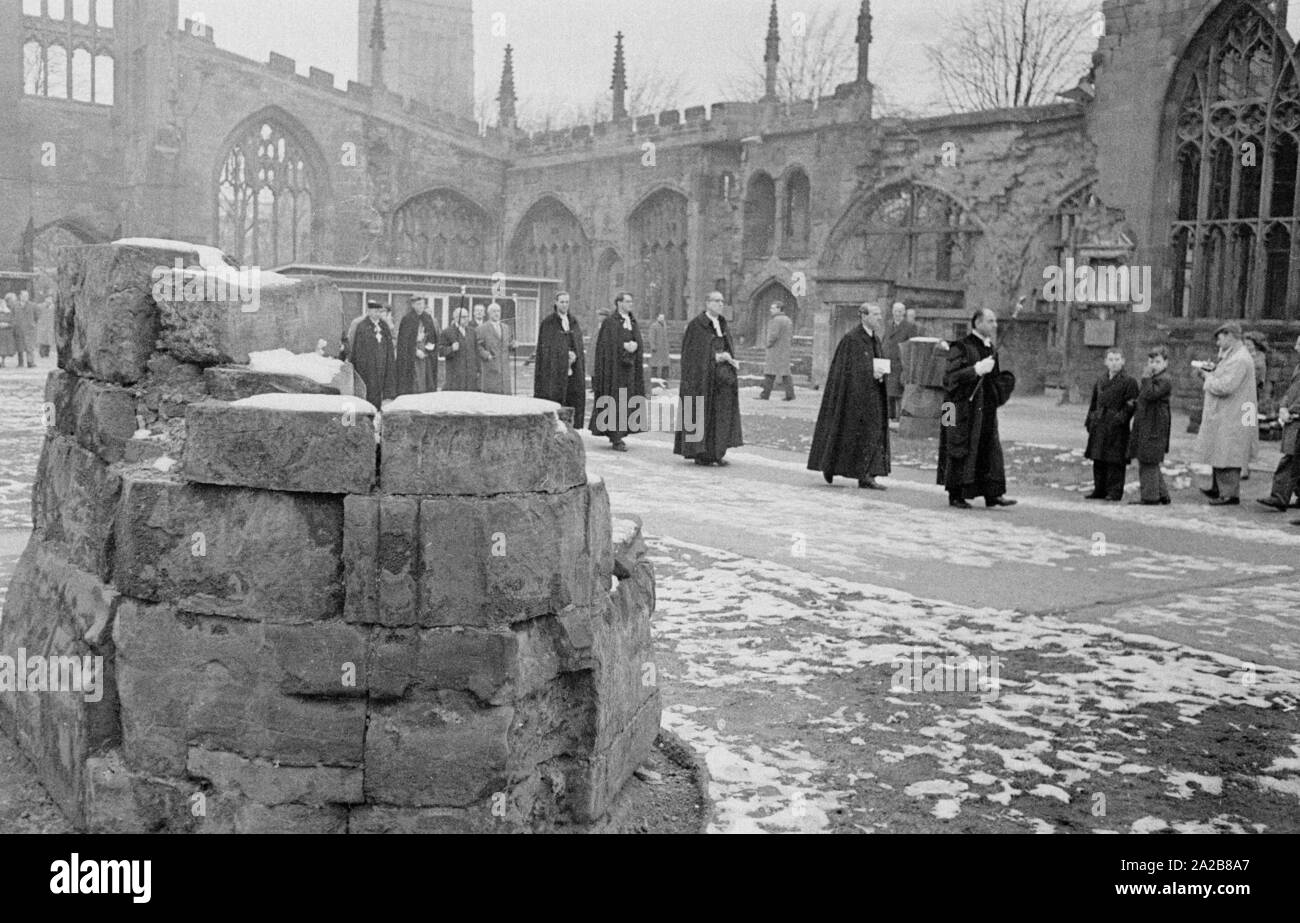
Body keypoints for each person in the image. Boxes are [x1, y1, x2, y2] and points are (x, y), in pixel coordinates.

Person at [937, 308, 1017, 509]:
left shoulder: (991, 348)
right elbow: (949, 379)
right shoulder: (961, 347)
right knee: (959, 448)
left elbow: (994, 380)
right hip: (961, 408)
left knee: (988, 449)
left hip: (985, 409)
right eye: (990, 321)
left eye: (995, 321)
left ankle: (992, 493)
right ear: (978, 323)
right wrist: (975, 370)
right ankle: (956, 494)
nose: (995, 325)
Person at [807, 302, 890, 489]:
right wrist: (870, 372)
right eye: (875, 314)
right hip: (853, 398)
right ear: (864, 316)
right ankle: (830, 466)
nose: (879, 318)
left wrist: (882, 373)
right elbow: (847, 370)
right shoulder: (851, 339)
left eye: (879, 314)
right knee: (847, 434)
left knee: (873, 433)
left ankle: (867, 474)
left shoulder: (875, 339)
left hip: (874, 394)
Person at [674, 292, 744, 466]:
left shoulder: (722, 324)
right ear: (707, 303)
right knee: (701, 413)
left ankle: (716, 452)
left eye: (722, 301)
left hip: (721, 380)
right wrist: (715, 357)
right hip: (702, 380)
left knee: (719, 415)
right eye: (716, 301)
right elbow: (692, 355)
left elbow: (726, 346)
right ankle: (701, 453)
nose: (720, 304)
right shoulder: (696, 326)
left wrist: (729, 359)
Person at [1193, 322, 1257, 506]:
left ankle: (1229, 493)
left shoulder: (1239, 359)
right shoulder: (1234, 355)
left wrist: (1207, 377)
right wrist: (1212, 371)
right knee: (1220, 449)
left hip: (1233, 413)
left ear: (1230, 336)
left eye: (1220, 337)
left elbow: (1225, 386)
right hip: (1228, 411)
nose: (1218, 341)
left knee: (1229, 452)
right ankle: (1218, 488)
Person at [589, 292, 645, 451]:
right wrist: (623, 346)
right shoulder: (610, 322)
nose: (630, 304)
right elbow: (607, 345)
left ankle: (622, 432)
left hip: (629, 369)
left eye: (631, 301)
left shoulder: (632, 321)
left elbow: (638, 340)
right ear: (619, 303)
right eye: (627, 301)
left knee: (627, 401)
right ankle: (616, 436)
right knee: (615, 401)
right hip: (615, 371)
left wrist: (635, 346)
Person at [1084, 348, 1139, 501]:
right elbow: (1094, 402)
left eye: (1117, 359)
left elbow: (1131, 404)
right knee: (1098, 457)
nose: (1114, 363)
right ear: (1106, 362)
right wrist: (1090, 419)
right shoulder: (1101, 380)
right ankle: (1099, 489)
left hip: (1116, 426)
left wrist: (1120, 419)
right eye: (1111, 359)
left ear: (1123, 361)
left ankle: (1114, 491)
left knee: (1114, 459)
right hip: (1099, 423)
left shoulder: (1129, 381)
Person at [1128, 346, 1173, 506]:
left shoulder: (1164, 379)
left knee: (1148, 459)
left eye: (1158, 361)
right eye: (1151, 361)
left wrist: (1146, 378)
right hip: (1147, 423)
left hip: (1154, 425)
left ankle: (1150, 496)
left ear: (1165, 363)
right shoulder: (1155, 379)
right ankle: (1161, 493)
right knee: (1148, 460)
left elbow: (1151, 394)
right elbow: (1145, 397)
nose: (1154, 365)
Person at [1260, 334, 1300, 513]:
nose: (1296, 348)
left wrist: (1290, 411)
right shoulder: (1299, 366)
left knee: (1290, 458)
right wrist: (1283, 407)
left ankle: (1279, 495)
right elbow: (1291, 392)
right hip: (1293, 417)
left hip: (1296, 419)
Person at [535, 291, 586, 424]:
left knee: (572, 396)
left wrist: (575, 354)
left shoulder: (573, 321)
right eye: (562, 302)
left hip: (572, 369)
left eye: (567, 302)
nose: (564, 305)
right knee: (556, 397)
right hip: (555, 370)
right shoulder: (549, 323)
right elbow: (547, 348)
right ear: (556, 303)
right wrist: (563, 356)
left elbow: (578, 343)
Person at [349, 301, 397, 405]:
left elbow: (389, 345)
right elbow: (358, 349)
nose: (378, 314)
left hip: (382, 364)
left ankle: (378, 411)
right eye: (375, 311)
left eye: (379, 312)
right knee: (369, 388)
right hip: (368, 366)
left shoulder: (384, 326)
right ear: (369, 311)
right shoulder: (362, 326)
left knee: (381, 389)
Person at [396, 297, 439, 395]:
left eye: (422, 304)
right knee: (415, 382)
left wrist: (429, 347)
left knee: (427, 380)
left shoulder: (427, 317)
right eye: (418, 304)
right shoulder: (407, 319)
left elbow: (432, 336)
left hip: (426, 355)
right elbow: (403, 341)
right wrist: (415, 350)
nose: (421, 306)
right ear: (413, 305)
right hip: (412, 357)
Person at [885, 302, 919, 421]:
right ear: (892, 312)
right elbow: (885, 342)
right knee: (888, 392)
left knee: (899, 392)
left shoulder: (909, 327)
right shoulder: (889, 325)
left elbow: (913, 347)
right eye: (895, 311)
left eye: (900, 311)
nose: (897, 314)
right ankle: (890, 417)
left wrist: (908, 366)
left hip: (901, 365)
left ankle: (900, 419)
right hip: (888, 364)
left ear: (904, 313)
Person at [758, 302, 795, 401]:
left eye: (773, 308)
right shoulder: (788, 320)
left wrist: (768, 344)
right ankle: (790, 395)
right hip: (784, 350)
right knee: (785, 373)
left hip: (775, 350)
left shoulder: (775, 320)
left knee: (770, 372)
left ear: (779, 309)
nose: (771, 310)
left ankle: (765, 395)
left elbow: (773, 335)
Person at [477, 301, 514, 395]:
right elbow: (477, 345)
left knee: (505, 397)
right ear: (489, 313)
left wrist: (512, 345)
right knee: (492, 397)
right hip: (490, 368)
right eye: (494, 311)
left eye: (498, 311)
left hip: (504, 370)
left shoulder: (506, 328)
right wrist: (486, 355)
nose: (497, 313)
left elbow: (508, 344)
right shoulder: (482, 328)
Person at [440, 306, 480, 391]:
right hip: (455, 375)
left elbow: (476, 352)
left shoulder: (472, 332)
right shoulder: (447, 332)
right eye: (464, 317)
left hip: (470, 375)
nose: (467, 319)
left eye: (467, 317)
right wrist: (451, 348)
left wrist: (478, 370)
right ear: (456, 318)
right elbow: (441, 351)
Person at [11, 290, 37, 368]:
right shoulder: (15, 305)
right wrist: (14, 323)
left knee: (30, 346)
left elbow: (37, 316)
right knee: (20, 346)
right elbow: (12, 315)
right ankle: (20, 362)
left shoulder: (33, 305)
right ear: (20, 296)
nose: (25, 297)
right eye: (24, 296)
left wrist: (32, 324)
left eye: (27, 296)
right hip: (18, 329)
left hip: (29, 329)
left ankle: (30, 362)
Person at [647, 313, 671, 381]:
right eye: (660, 317)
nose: (662, 319)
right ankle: (654, 377)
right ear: (657, 318)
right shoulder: (654, 326)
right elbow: (651, 337)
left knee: (665, 363)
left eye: (663, 318)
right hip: (657, 348)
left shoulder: (664, 325)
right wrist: (653, 346)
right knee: (655, 364)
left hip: (664, 348)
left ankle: (665, 377)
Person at [0, 295, 16, 368]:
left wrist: (7, 325)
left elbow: (13, 322)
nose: (2, 305)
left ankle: (3, 362)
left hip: (6, 333)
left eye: (3, 304)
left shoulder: (9, 312)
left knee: (4, 349)